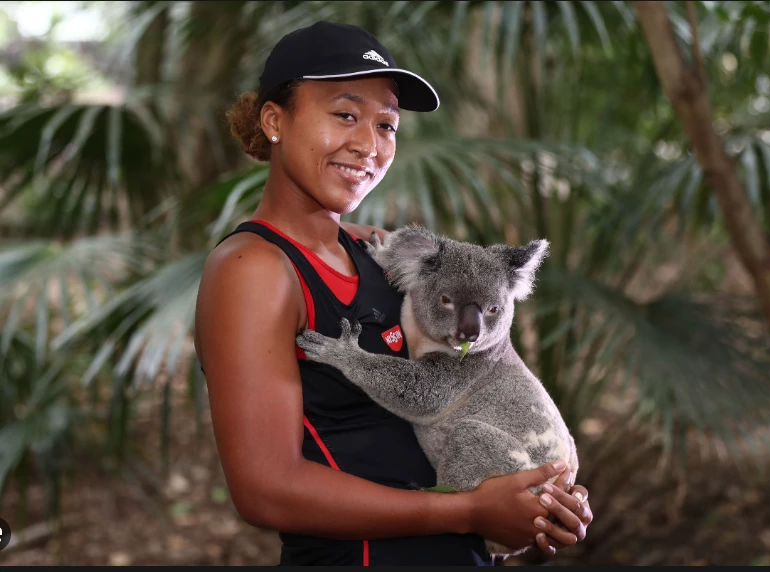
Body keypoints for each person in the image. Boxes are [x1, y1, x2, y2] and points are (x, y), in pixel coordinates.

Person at [194, 21, 592, 566]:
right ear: (274, 120)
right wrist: (468, 512)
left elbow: (482, 374)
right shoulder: (254, 269)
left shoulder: (378, 253)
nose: (368, 145)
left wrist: (541, 492)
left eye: (387, 125)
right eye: (345, 115)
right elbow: (266, 489)